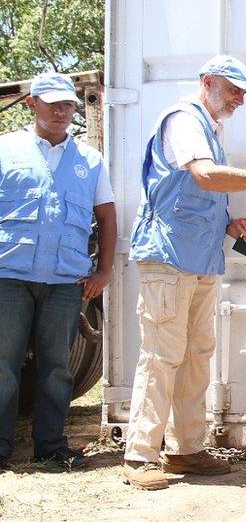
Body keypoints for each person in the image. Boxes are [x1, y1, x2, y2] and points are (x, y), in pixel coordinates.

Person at [122, 55, 246, 490]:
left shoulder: (209, 128)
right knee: (162, 355)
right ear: (207, 82)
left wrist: (229, 224)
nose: (240, 100)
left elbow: (193, 192)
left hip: (199, 258)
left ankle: (186, 450)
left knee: (195, 356)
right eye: (234, 90)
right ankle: (140, 456)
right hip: (170, 259)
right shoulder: (184, 121)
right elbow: (205, 177)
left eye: (243, 92)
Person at [0, 72, 117, 472]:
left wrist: (104, 269)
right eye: (52, 103)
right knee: (3, 365)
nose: (61, 111)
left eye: (68, 104)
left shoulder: (90, 161)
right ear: (31, 104)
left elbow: (106, 216)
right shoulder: (5, 150)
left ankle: (51, 447)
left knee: (56, 368)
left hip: (65, 281)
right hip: (9, 276)